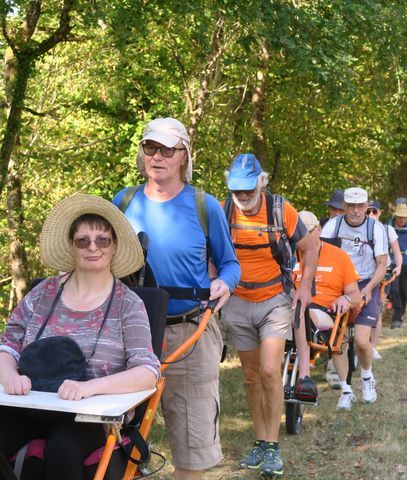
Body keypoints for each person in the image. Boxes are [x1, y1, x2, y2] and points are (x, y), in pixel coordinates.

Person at [113, 118, 240, 480]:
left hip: (189, 334)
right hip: (128, 337)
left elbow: (230, 263)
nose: (157, 157)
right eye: (150, 148)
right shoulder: (123, 201)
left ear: (184, 155)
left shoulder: (204, 205)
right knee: (115, 440)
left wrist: (225, 284)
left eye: (167, 149)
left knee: (191, 446)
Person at [0, 194, 161, 480]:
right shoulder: (42, 294)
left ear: (114, 247)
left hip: (88, 417)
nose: (93, 247)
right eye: (83, 240)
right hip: (29, 403)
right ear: (71, 247)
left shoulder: (128, 304)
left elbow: (147, 372)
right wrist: (10, 374)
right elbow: (7, 346)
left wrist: (92, 387)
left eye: (102, 240)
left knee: (62, 449)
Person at [220, 154, 318, 478]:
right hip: (237, 301)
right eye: (238, 192)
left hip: (275, 300)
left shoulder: (280, 209)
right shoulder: (224, 211)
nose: (244, 198)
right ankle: (259, 442)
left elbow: (310, 246)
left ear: (261, 182)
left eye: (249, 191)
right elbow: (213, 254)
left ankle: (273, 448)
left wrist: (304, 287)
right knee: (249, 377)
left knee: (269, 371)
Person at [321, 187, 388, 405]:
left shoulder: (376, 229)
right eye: (351, 206)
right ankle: (346, 390)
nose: (356, 211)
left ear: (367, 207)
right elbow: (322, 256)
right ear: (345, 207)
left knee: (360, 340)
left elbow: (382, 265)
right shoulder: (333, 226)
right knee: (338, 340)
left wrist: (367, 289)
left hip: (366, 282)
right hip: (339, 283)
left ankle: (367, 376)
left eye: (360, 206)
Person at [293, 212, 361, 409]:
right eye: (297, 232)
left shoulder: (339, 256)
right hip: (289, 310)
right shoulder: (289, 255)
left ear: (319, 230)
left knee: (303, 311)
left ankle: (345, 390)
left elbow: (356, 295)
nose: (301, 236)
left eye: (307, 231)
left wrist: (345, 298)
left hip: (323, 312)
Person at [366, 200, 401, 360]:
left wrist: (399, 266)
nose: (371, 215)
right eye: (368, 211)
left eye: (374, 211)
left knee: (376, 311)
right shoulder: (357, 230)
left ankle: (372, 347)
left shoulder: (387, 230)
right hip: (360, 275)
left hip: (382, 276)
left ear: (380, 213)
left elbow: (397, 252)